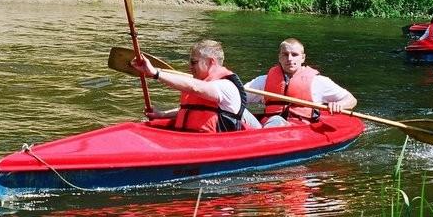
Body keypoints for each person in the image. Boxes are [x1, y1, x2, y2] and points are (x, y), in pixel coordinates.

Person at [131, 39, 260, 132]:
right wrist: (162, 115)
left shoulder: (225, 86)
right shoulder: (204, 84)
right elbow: (193, 109)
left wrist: (155, 73)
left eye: (194, 62)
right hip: (190, 140)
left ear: (210, 62)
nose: (190, 67)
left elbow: (195, 87)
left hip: (215, 146)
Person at [244, 38, 357, 127]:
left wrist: (339, 105)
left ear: (303, 58)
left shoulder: (318, 82)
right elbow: (238, 99)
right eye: (285, 54)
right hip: (263, 127)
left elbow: (351, 100)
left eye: (294, 54)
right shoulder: (264, 80)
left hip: (297, 130)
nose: (289, 58)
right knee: (236, 109)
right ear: (279, 57)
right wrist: (259, 108)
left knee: (276, 119)